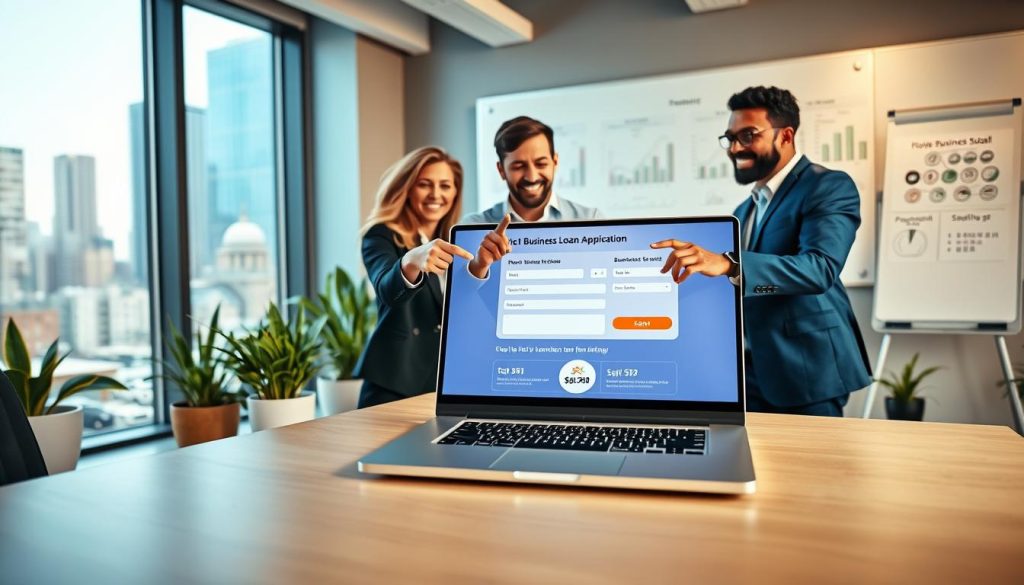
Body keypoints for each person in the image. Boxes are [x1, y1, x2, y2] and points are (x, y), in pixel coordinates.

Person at [652, 86, 871, 416]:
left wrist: (728, 264)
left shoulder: (827, 187)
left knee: (811, 468)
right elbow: (742, 283)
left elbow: (820, 268)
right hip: (749, 374)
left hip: (806, 371)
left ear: (785, 135)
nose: (736, 148)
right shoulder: (744, 210)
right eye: (730, 137)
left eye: (748, 135)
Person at [354, 146, 474, 408]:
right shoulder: (381, 235)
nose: (436, 194)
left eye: (445, 185)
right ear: (407, 187)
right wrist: (410, 261)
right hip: (396, 383)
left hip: (446, 383)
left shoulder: (459, 241)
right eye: (424, 184)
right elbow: (387, 289)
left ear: (455, 192)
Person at [463, 115, 602, 278]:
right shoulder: (472, 227)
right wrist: (479, 267)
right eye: (518, 166)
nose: (532, 176)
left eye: (541, 164)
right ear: (501, 170)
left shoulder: (591, 221)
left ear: (555, 162)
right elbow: (458, 298)